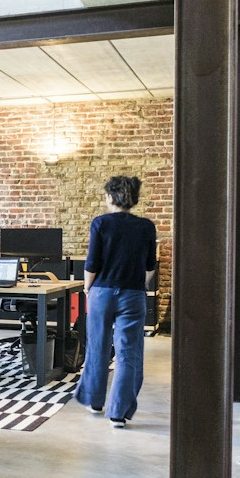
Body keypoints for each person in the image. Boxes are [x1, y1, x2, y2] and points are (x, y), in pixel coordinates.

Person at [74, 175, 156, 428]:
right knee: (128, 353)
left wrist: (88, 287)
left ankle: (95, 402)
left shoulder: (100, 223)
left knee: (97, 347)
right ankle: (118, 414)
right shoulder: (146, 227)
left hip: (102, 293)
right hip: (133, 294)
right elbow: (150, 265)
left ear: (110, 197)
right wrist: (137, 285)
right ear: (133, 198)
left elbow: (92, 263)